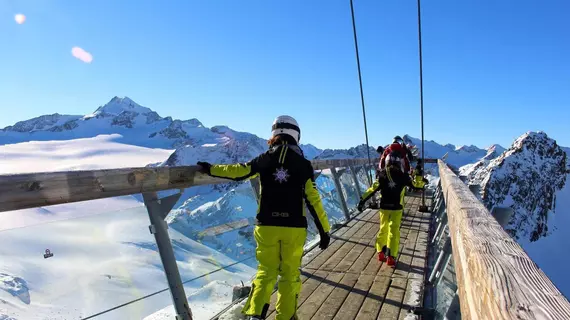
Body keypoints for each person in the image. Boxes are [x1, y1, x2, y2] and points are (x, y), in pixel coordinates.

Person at [197, 115, 330, 320]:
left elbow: (239, 171)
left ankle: (255, 315)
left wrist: (212, 169)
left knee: (265, 272)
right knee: (289, 275)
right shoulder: (303, 165)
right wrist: (324, 231)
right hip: (293, 227)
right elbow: (314, 200)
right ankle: (285, 316)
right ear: (296, 135)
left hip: (266, 225)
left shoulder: (264, 158)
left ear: (274, 134)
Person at [357, 152, 423, 267]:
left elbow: (373, 189)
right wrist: (421, 178)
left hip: (384, 208)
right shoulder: (403, 176)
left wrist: (362, 200)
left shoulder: (382, 175)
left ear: (387, 162)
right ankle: (391, 257)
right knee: (393, 232)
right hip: (396, 208)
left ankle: (380, 252)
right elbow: (416, 186)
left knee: (383, 229)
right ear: (399, 163)